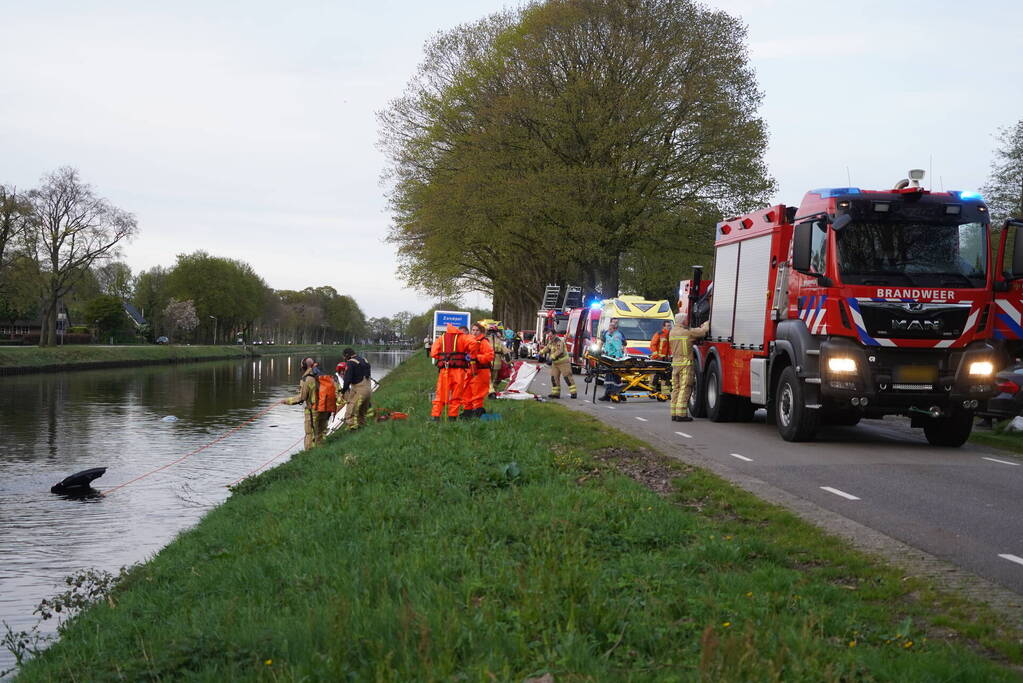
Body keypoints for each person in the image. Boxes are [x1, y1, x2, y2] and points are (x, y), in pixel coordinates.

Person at [280, 357, 331, 449]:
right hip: (325, 408)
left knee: (310, 433)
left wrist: (286, 401)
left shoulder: (307, 379)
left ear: (304, 366)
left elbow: (302, 398)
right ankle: (322, 452)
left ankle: (309, 454)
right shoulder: (321, 375)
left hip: (313, 411)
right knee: (321, 433)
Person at [669, 313, 709, 422]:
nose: (688, 321)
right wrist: (706, 324)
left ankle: (674, 413)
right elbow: (702, 332)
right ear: (683, 321)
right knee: (685, 387)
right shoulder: (687, 333)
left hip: (675, 363)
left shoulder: (672, 332)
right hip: (685, 364)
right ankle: (681, 415)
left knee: (676, 388)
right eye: (686, 319)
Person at [430, 323, 475, 420]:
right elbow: (474, 345)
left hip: (445, 370)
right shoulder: (463, 337)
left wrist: (442, 358)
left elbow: (433, 353)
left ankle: (435, 416)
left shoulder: (441, 338)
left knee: (440, 394)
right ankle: (452, 417)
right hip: (459, 371)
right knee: (456, 395)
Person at [464, 322, 494, 418]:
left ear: (481, 331)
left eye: (477, 330)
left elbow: (489, 356)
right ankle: (467, 411)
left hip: (480, 370)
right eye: (473, 330)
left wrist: (476, 357)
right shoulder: (468, 341)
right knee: (466, 391)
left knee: (477, 392)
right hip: (469, 369)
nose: (475, 332)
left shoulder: (483, 342)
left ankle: (477, 411)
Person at [341, 348, 372, 429]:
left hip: (360, 390)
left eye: (344, 357)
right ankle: (362, 428)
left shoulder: (350, 362)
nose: (344, 359)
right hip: (369, 390)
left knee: (350, 411)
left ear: (347, 355)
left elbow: (347, 379)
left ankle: (352, 430)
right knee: (362, 413)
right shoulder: (364, 360)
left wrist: (343, 390)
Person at [541, 330, 576, 398]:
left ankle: (573, 393)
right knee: (554, 378)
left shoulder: (559, 341)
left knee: (567, 377)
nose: (550, 337)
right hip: (555, 363)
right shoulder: (551, 342)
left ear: (554, 335)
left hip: (563, 362)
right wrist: (540, 352)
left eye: (551, 336)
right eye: (549, 336)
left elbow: (559, 351)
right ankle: (556, 393)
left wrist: (552, 357)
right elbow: (547, 348)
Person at [487, 326, 510, 397]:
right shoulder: (499, 341)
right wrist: (509, 362)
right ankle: (494, 391)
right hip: (497, 363)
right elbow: (506, 352)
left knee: (488, 379)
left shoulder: (486, 340)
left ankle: (491, 392)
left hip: (487, 362)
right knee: (494, 379)